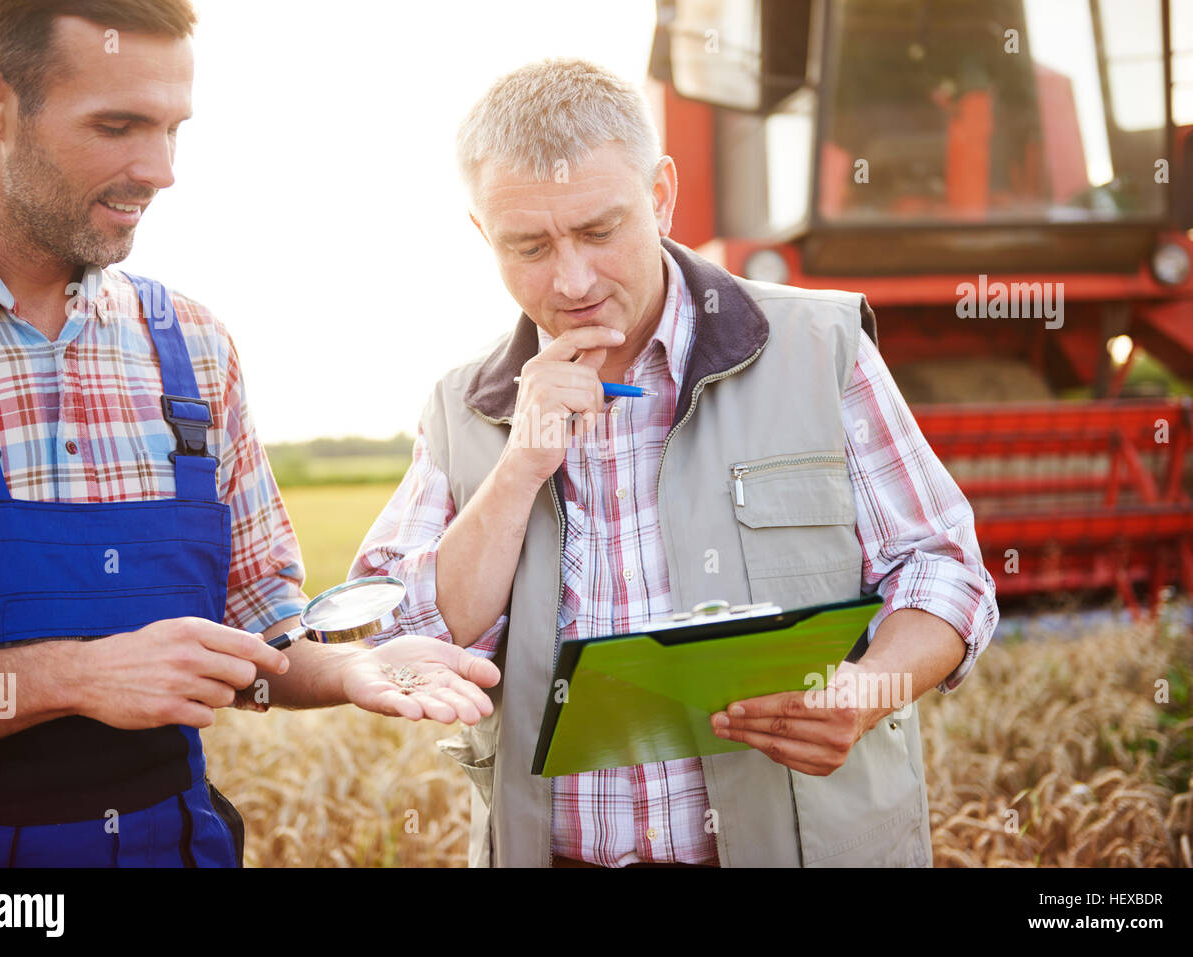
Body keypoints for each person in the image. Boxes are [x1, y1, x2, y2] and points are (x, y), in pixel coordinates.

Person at [350, 58, 999, 868]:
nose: (573, 279)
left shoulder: (820, 347)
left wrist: (866, 692)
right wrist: (519, 468)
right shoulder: (461, 407)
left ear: (660, 196)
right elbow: (402, 638)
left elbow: (943, 568)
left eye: (599, 231)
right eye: (530, 246)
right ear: (483, 235)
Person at [0, 0, 498, 868]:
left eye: (171, 128)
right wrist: (74, 676)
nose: (158, 169)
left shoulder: (191, 347)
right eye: (116, 126)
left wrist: (347, 670)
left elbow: (258, 631)